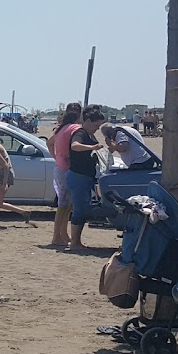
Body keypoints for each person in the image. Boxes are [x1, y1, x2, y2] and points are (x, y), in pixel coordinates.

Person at [65, 106, 109, 251]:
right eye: (96, 125)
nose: (97, 129)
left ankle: (77, 241)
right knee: (79, 209)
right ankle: (74, 242)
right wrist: (92, 148)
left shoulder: (90, 135)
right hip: (78, 176)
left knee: (83, 208)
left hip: (86, 176)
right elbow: (75, 146)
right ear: (88, 121)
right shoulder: (80, 133)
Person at [48, 103, 82, 246]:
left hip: (59, 167)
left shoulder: (60, 128)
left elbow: (49, 143)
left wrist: (57, 157)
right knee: (64, 204)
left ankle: (62, 234)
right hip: (66, 168)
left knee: (67, 204)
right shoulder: (75, 128)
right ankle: (56, 236)